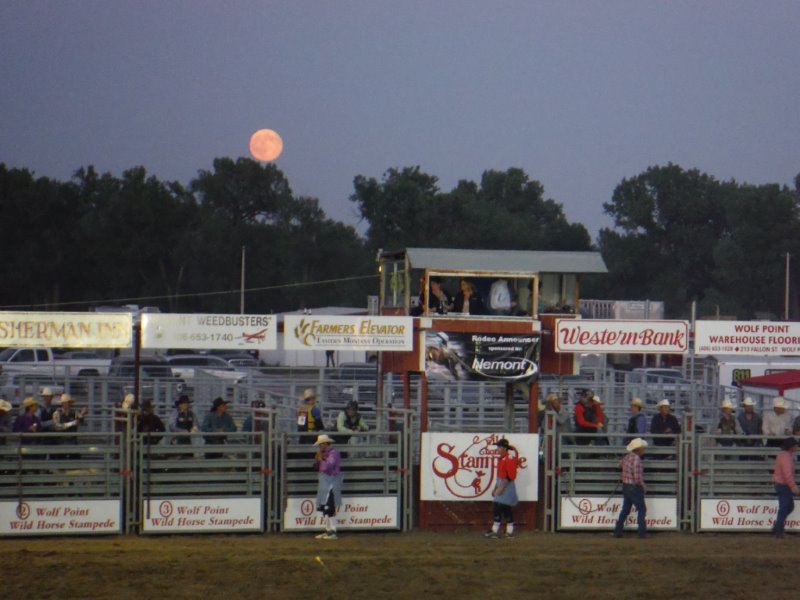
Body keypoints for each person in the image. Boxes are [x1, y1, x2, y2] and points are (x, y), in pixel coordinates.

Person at [613, 437, 648, 539]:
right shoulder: (637, 460)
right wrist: (643, 486)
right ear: (639, 449)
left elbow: (619, 465)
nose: (643, 450)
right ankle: (641, 533)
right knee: (641, 509)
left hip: (626, 486)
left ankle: (617, 531)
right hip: (634, 487)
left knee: (625, 509)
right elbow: (637, 478)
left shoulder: (627, 457)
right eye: (642, 448)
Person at [485, 438, 519, 539]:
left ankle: (496, 530)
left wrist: (500, 487)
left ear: (504, 448)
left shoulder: (508, 459)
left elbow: (511, 476)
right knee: (505, 507)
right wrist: (496, 487)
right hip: (503, 483)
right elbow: (502, 476)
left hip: (506, 484)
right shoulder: (504, 459)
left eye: (499, 447)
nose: (497, 449)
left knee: (499, 506)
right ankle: (509, 531)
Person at [313, 434, 343, 540]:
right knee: (325, 507)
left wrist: (320, 460)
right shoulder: (327, 453)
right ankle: (328, 530)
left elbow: (328, 467)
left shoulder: (333, 453)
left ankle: (333, 531)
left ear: (325, 444)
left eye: (321, 444)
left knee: (329, 507)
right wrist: (319, 460)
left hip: (331, 482)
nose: (320, 446)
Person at [772, 437, 800, 538]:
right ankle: (778, 530)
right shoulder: (786, 457)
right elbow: (787, 473)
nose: (797, 447)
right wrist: (793, 486)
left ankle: (777, 527)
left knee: (786, 507)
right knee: (785, 507)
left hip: (781, 484)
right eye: (795, 445)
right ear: (791, 447)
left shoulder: (783, 455)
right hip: (783, 485)